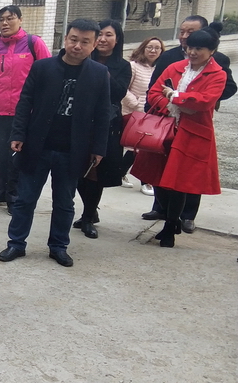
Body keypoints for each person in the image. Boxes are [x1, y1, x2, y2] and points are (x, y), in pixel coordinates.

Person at [0, 19, 111, 269]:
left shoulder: (99, 74)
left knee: (64, 202)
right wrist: (18, 134)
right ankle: (16, 243)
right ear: (65, 39)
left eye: (85, 42)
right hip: (38, 146)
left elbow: (103, 114)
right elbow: (25, 102)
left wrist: (98, 148)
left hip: (73, 150)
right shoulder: (43, 67)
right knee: (25, 198)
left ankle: (58, 246)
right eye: (73, 39)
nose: (77, 46)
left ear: (94, 45)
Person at [131, 27, 226, 248]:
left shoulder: (217, 74)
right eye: (190, 47)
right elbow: (154, 92)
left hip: (193, 135)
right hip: (164, 129)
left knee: (179, 183)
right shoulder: (175, 67)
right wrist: (175, 102)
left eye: (199, 49)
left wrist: (174, 95)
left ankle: (171, 225)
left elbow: (204, 102)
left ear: (211, 51)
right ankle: (168, 219)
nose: (192, 52)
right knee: (159, 178)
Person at [0, 5, 52, 209]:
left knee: (18, 154)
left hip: (25, 112)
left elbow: (47, 73)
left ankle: (15, 196)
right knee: (1, 154)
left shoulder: (33, 43)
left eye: (9, 18)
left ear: (20, 20)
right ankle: (1, 192)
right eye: (1, 19)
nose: (4, 23)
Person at [72, 19, 129, 239]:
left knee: (96, 171)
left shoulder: (122, 66)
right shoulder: (82, 59)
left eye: (109, 35)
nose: (104, 39)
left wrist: (101, 72)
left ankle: (87, 217)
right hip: (79, 121)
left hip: (107, 124)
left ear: (117, 39)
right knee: (77, 170)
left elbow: (118, 93)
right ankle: (90, 210)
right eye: (101, 35)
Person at [122, 36, 163, 194]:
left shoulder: (160, 69)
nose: (153, 51)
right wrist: (135, 102)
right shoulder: (133, 66)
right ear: (143, 48)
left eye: (157, 48)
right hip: (132, 113)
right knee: (139, 147)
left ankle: (121, 173)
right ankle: (145, 181)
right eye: (149, 47)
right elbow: (123, 88)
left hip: (150, 114)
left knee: (141, 147)